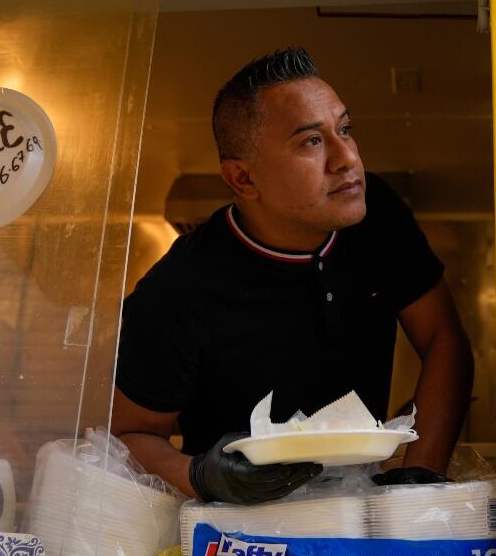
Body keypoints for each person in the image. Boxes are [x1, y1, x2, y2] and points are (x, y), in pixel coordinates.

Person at [111, 47, 473, 504]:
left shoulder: (376, 216)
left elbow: (443, 336)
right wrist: (201, 476)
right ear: (243, 179)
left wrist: (418, 476)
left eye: (345, 129)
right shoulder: (177, 290)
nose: (347, 159)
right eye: (311, 141)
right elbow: (128, 435)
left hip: (359, 512)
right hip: (240, 529)